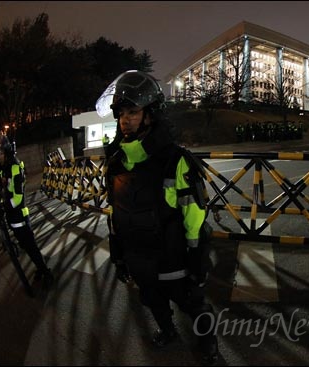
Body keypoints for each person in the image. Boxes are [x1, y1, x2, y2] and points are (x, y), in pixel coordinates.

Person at [95, 70, 218, 364]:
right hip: (138, 255)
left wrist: (197, 252)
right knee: (152, 300)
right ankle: (168, 330)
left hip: (172, 255)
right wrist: (117, 248)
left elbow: (194, 212)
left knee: (194, 305)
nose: (126, 119)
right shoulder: (116, 162)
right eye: (122, 112)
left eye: (133, 111)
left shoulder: (175, 159)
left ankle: (208, 343)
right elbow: (115, 209)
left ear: (150, 114)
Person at [0, 135, 54, 288]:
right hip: (12, 217)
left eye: (0, 153)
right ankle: (41, 268)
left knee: (30, 246)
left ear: (6, 152)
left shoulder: (14, 167)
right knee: (26, 246)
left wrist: (4, 207)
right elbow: (3, 191)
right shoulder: (3, 168)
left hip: (19, 215)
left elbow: (18, 197)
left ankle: (46, 273)